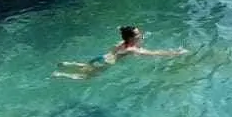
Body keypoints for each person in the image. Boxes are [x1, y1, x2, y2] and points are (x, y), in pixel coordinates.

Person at [53, 25, 187, 80]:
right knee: (86, 78)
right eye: (137, 35)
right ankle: (61, 74)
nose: (140, 35)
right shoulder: (130, 49)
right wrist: (175, 53)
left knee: (85, 66)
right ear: (130, 38)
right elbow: (153, 53)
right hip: (105, 64)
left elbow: (123, 43)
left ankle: (66, 63)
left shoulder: (121, 43)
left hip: (100, 58)